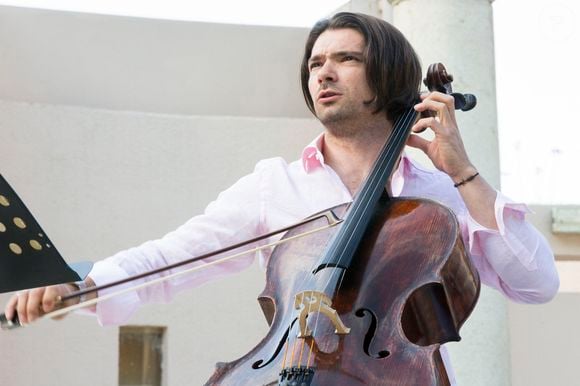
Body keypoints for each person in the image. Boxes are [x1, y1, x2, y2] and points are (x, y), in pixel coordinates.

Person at [4, 11, 558, 384]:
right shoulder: (276, 185)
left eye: (345, 59)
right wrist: (85, 284)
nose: (324, 73)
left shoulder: (442, 194)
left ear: (388, 77)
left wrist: (462, 172)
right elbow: (173, 258)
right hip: (288, 369)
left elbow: (535, 284)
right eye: (316, 63)